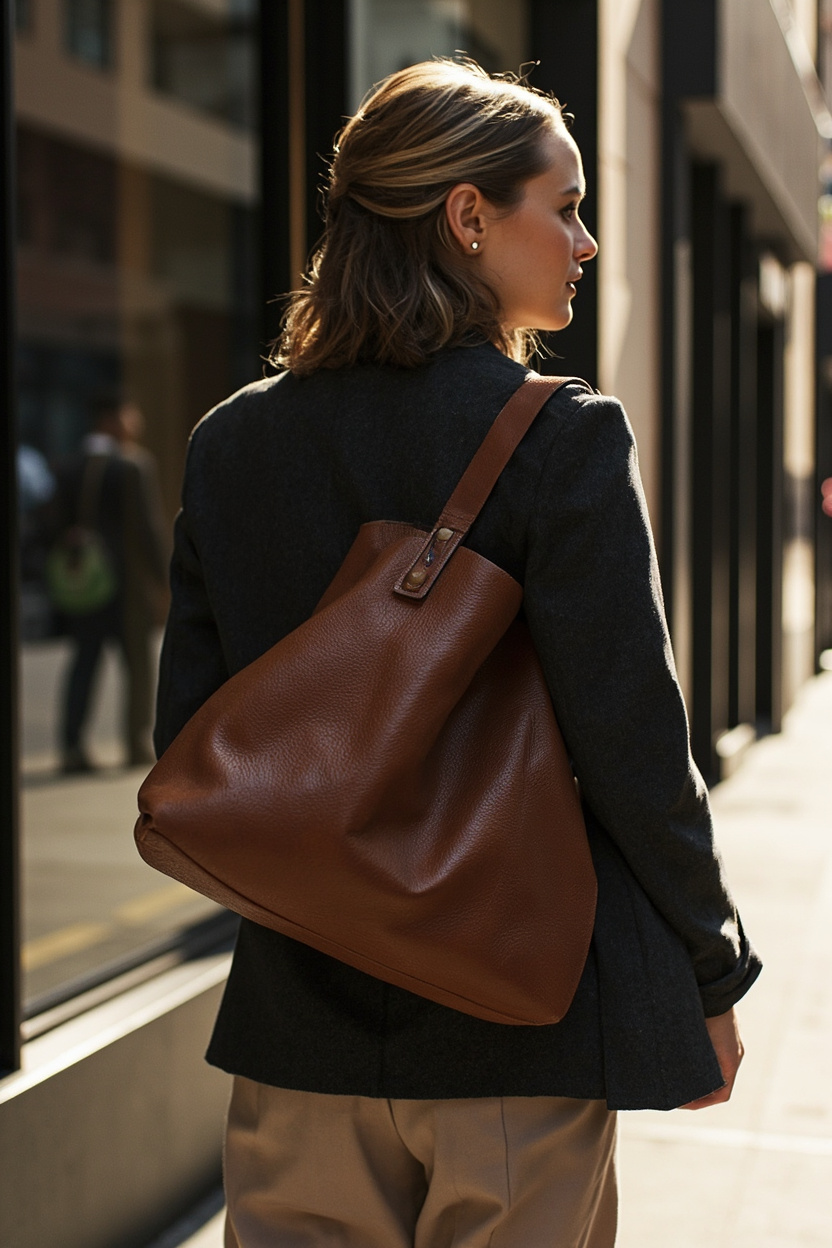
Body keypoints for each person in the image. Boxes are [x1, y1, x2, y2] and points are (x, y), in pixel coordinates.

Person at [153, 59, 761, 1247]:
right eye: (565, 204)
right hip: (512, 1031)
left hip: (295, 1037)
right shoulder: (560, 439)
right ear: (469, 217)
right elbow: (633, 746)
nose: (584, 242)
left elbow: (192, 733)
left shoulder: (232, 442)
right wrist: (709, 972)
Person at [53, 396, 169, 772]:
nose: (135, 421)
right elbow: (148, 529)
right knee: (137, 667)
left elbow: (50, 524)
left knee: (83, 664)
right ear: (113, 418)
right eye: (130, 414)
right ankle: (135, 745)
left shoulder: (68, 466)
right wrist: (165, 580)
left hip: (86, 586)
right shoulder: (133, 464)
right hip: (127, 585)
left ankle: (72, 746)